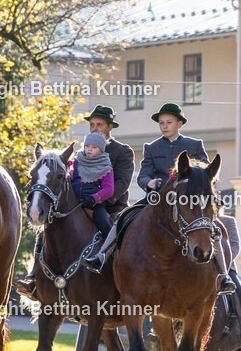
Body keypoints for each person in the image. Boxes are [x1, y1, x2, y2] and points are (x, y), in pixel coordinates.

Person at [82, 102, 233, 293]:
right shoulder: (151, 147)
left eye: (169, 122)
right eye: (161, 123)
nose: (164, 126)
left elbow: (206, 174)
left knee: (215, 227)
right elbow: (144, 174)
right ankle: (102, 256)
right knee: (123, 217)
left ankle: (225, 275)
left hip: (189, 198)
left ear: (179, 124)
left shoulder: (195, 145)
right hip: (158, 198)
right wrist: (148, 183)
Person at [17, 105, 134, 298]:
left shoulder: (122, 151)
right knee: (47, 229)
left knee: (117, 233)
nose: (95, 128)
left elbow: (122, 182)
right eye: (92, 124)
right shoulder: (82, 152)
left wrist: (98, 200)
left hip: (110, 206)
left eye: (100, 124)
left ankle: (125, 276)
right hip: (77, 206)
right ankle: (34, 279)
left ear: (110, 127)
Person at [69, 133, 114, 237]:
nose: (89, 149)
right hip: (73, 204)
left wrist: (94, 199)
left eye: (94, 147)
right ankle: (40, 248)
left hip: (94, 205)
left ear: (101, 150)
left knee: (105, 225)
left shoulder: (106, 167)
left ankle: (112, 250)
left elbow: (109, 189)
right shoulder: (75, 162)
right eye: (87, 146)